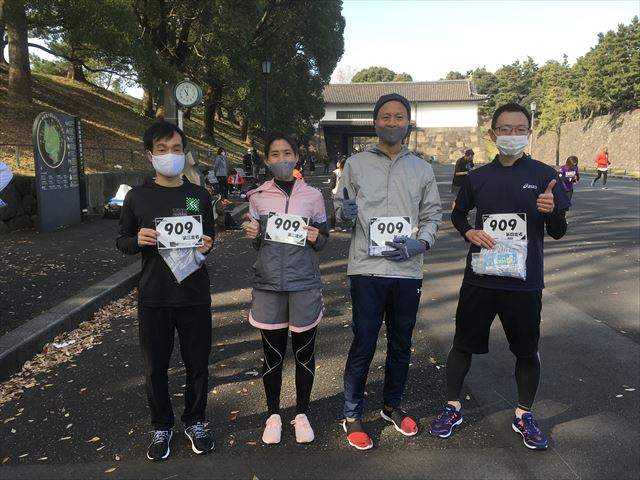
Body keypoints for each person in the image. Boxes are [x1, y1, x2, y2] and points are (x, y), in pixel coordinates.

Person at [429, 103, 570, 451]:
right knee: (462, 344)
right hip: (481, 277)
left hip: (524, 282)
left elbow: (558, 231)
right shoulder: (477, 177)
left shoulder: (545, 175)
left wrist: (552, 212)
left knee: (526, 350)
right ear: (493, 134)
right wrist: (468, 232)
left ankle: (524, 414)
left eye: (519, 129)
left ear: (529, 133)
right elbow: (459, 214)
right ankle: (452, 407)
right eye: (505, 129)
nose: (512, 135)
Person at [335, 93, 442, 450]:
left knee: (401, 342)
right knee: (364, 342)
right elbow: (340, 208)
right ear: (375, 122)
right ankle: (352, 414)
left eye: (399, 117)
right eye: (385, 116)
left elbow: (432, 215)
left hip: (407, 269)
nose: (392, 122)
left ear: (408, 123)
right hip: (366, 268)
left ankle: (391, 406)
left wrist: (421, 243)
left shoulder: (422, 169)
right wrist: (343, 214)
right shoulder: (355, 164)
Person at [116, 121, 215, 461]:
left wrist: (206, 245)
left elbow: (209, 237)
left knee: (197, 364)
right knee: (154, 367)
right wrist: (137, 240)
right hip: (154, 295)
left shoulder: (198, 196)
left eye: (176, 149)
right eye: (162, 149)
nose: (170, 155)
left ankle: (196, 421)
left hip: (194, 294)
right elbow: (122, 240)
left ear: (184, 153)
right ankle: (161, 426)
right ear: (150, 155)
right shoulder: (137, 197)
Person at [242, 133, 329, 445]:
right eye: (276, 154)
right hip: (268, 285)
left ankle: (302, 414)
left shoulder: (313, 196)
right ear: (267, 160)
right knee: (272, 355)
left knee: (304, 352)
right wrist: (253, 233)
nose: (282, 159)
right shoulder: (257, 197)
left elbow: (323, 239)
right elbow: (257, 243)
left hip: (304, 283)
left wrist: (317, 237)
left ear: (297, 157)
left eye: (288, 153)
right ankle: (273, 415)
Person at [329, 159, 344, 232]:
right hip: (345, 193)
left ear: (339, 164)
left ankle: (333, 226)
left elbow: (332, 185)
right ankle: (340, 225)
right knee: (342, 209)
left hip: (336, 193)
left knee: (334, 210)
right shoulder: (348, 172)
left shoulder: (335, 172)